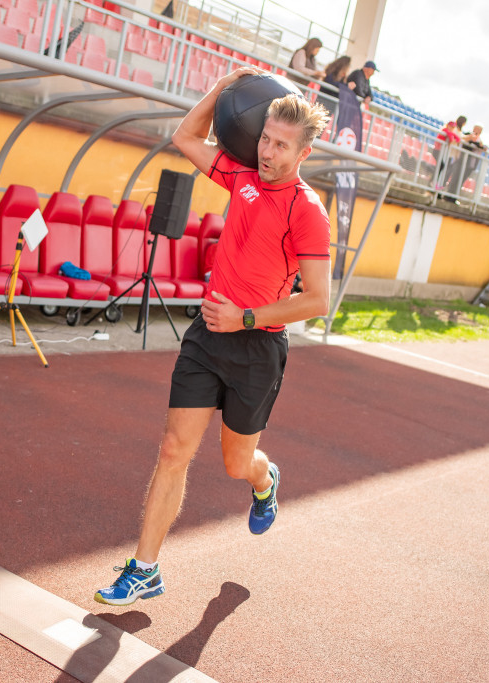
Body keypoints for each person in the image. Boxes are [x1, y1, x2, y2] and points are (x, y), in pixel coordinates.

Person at [94, 68, 333, 606]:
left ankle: (264, 477)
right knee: (173, 448)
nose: (267, 152)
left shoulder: (307, 212)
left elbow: (317, 301)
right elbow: (185, 137)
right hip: (208, 335)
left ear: (304, 154)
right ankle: (145, 568)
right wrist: (224, 85)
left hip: (257, 347)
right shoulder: (242, 177)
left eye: (280, 145)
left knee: (234, 464)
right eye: (265, 138)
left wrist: (245, 317)